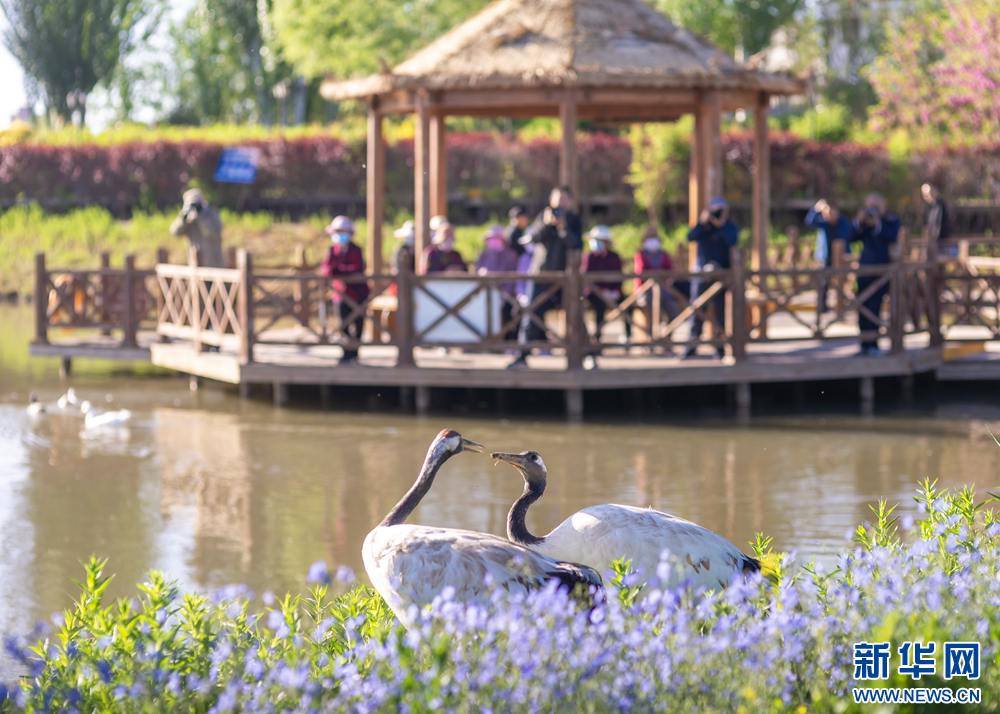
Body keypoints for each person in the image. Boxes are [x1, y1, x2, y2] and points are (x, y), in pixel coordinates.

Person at [507, 186, 584, 369]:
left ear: (570, 201)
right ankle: (522, 355)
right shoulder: (544, 217)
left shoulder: (573, 220)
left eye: (564, 199)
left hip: (566, 277)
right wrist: (547, 224)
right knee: (531, 315)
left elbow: (576, 244)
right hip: (541, 274)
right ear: (551, 200)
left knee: (575, 314)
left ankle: (585, 354)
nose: (560, 203)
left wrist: (563, 227)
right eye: (557, 199)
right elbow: (531, 238)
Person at [684, 196, 739, 359]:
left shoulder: (729, 226)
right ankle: (692, 346)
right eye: (714, 210)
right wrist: (702, 222)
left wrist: (720, 225)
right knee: (697, 311)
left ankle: (720, 347)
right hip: (702, 275)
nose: (717, 213)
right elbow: (690, 237)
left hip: (721, 276)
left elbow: (733, 241)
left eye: (721, 210)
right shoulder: (704, 227)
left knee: (720, 313)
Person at [850, 192, 900, 356]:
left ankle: (873, 345)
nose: (872, 210)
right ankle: (864, 344)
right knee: (862, 307)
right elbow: (849, 237)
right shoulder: (864, 224)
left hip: (882, 272)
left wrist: (878, 223)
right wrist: (859, 221)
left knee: (874, 307)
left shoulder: (890, 221)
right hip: (864, 271)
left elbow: (892, 237)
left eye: (875, 207)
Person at [321, 216, 368, 365]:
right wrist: (344, 271)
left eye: (343, 231)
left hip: (358, 293)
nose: (341, 235)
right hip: (341, 294)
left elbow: (357, 268)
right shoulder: (332, 250)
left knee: (358, 324)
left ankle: (355, 353)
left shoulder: (356, 249)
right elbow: (327, 269)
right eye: (338, 231)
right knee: (342, 324)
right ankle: (346, 353)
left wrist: (340, 271)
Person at [582, 225, 629, 344]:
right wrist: (600, 291)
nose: (596, 243)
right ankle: (596, 339)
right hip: (594, 293)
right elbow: (586, 279)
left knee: (628, 304)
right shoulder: (589, 257)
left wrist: (615, 291)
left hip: (613, 292)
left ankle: (628, 336)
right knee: (599, 307)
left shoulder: (614, 257)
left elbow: (619, 277)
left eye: (599, 240)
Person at [805, 199, 852, 313]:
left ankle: (842, 306)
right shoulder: (823, 222)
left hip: (840, 257)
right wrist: (815, 210)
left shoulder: (842, 222)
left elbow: (851, 232)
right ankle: (822, 307)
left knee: (843, 282)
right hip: (825, 257)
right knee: (823, 283)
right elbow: (808, 222)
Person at [475, 224, 520, 339]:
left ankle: (505, 341)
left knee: (507, 313)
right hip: (485, 294)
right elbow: (476, 274)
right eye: (490, 238)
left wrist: (504, 295)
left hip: (505, 295)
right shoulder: (483, 255)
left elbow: (512, 278)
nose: (492, 241)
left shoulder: (511, 255)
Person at [633, 225, 680, 325]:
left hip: (663, 290)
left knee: (674, 313)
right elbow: (640, 273)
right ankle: (652, 337)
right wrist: (659, 273)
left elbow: (670, 270)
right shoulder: (641, 254)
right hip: (645, 290)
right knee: (653, 313)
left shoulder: (663, 254)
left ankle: (666, 335)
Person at [169, 188, 225, 267]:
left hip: (214, 265)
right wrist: (183, 217)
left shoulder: (211, 213)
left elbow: (214, 234)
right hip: (195, 265)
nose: (194, 207)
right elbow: (174, 232)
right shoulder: (188, 219)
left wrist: (200, 218)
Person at [922, 183, 954, 257]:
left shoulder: (940, 205)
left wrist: (935, 239)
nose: (927, 197)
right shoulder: (931, 207)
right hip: (933, 240)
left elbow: (939, 224)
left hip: (941, 240)